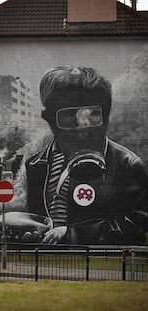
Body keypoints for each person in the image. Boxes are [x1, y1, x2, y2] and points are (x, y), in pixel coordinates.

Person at [24, 65, 148, 245]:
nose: (83, 126)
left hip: (97, 264)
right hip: (46, 262)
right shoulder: (36, 165)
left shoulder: (126, 164)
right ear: (49, 119)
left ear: (105, 117)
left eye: (92, 114)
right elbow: (36, 219)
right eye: (68, 115)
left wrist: (74, 234)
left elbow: (136, 224)